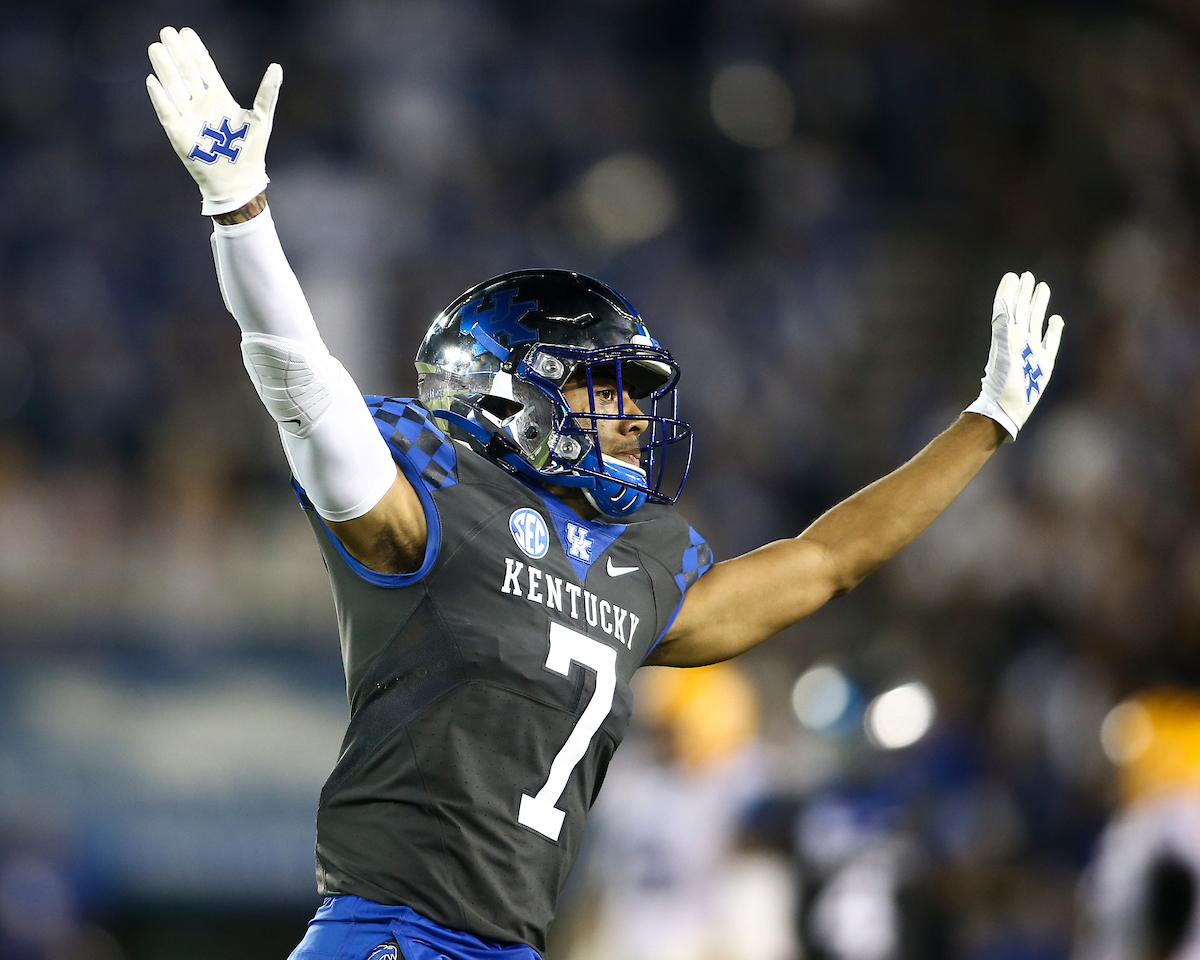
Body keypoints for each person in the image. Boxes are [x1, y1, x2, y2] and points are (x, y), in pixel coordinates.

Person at [145, 26, 1065, 960]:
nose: (632, 415)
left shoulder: (643, 564)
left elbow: (827, 563)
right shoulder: (433, 496)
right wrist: (243, 211)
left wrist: (985, 423)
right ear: (506, 386)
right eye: (606, 385)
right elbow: (303, 387)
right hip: (390, 936)